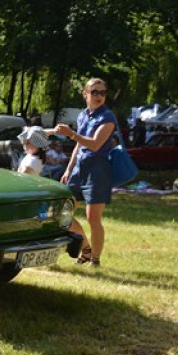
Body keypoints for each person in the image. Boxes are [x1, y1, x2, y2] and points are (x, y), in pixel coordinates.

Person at [51, 78, 117, 268]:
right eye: (95, 92)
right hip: (79, 169)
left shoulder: (108, 117)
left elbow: (95, 144)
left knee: (93, 218)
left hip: (98, 170)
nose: (99, 96)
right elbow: (79, 145)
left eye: (103, 93)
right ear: (85, 93)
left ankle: (95, 260)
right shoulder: (83, 115)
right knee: (62, 212)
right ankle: (86, 248)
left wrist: (71, 134)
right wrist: (69, 168)